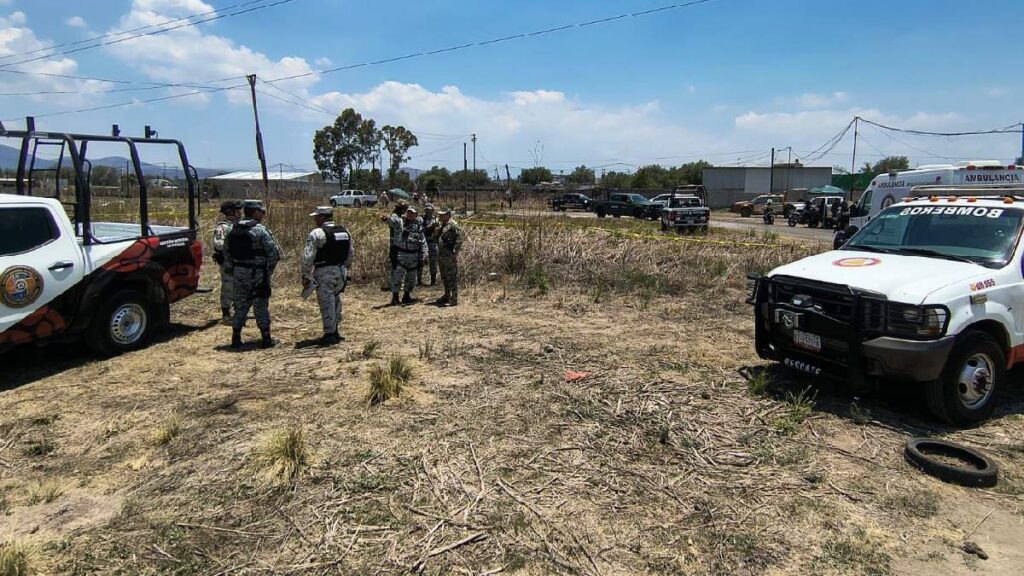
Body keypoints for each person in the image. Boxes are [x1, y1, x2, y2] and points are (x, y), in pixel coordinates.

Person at [225, 199, 281, 349]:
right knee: (260, 304)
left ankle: (236, 338)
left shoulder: (233, 229)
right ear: (255, 212)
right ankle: (266, 339)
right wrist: (268, 271)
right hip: (258, 273)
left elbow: (226, 252)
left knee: (240, 304)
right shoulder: (260, 230)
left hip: (239, 273)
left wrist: (233, 270)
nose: (263, 214)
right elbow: (274, 253)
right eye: (261, 211)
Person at [302, 207, 352, 346]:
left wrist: (305, 274)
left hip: (324, 271)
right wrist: (345, 268)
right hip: (341, 271)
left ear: (323, 217)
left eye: (316, 217)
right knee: (336, 300)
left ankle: (330, 334)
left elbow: (308, 256)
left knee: (327, 302)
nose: (315, 219)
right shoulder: (344, 231)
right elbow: (350, 253)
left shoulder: (317, 233)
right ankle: (335, 330)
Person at [390, 206, 427, 305]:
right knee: (397, 277)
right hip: (401, 255)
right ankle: (395, 297)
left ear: (416, 215)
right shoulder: (400, 223)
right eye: (409, 212)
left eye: (412, 213)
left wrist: (424, 255)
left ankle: (407, 295)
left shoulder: (419, 228)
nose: (410, 215)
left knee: (411, 277)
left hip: (413, 255)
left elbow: (423, 242)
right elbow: (391, 221)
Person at [212, 200, 241, 324]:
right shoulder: (223, 227)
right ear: (231, 212)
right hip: (228, 263)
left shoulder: (237, 224)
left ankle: (238, 311)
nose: (240, 213)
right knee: (228, 287)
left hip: (238, 262)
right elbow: (218, 244)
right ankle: (226, 313)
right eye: (237, 211)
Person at [434, 208, 464, 306]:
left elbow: (459, 238)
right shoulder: (441, 226)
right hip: (441, 255)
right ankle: (447, 295)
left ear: (448, 215)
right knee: (444, 276)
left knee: (451, 276)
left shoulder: (453, 225)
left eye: (443, 215)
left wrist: (455, 252)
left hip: (449, 255)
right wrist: (436, 232)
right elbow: (435, 239)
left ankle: (454, 298)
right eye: (440, 215)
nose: (440, 217)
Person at [421, 204, 440, 286]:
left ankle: (433, 280)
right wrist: (429, 227)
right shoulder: (421, 219)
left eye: (430, 210)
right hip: (423, 242)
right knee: (421, 260)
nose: (428, 211)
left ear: (433, 210)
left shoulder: (436, 219)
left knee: (433, 261)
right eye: (426, 210)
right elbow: (420, 230)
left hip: (433, 242)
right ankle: (418, 280)